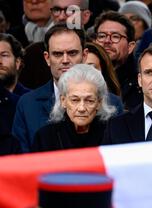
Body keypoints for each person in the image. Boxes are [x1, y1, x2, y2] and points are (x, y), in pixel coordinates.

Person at [12, 24, 123, 153]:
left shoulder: (112, 103)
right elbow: (20, 159)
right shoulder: (28, 104)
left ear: (84, 55)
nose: (65, 60)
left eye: (72, 53)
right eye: (58, 54)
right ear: (47, 58)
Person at [31, 64, 116, 152]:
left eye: (89, 100)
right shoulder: (45, 138)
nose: (81, 108)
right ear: (63, 100)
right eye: (75, 100)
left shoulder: (112, 135)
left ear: (99, 103)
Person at [94, 11, 142, 111]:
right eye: (102, 36)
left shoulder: (141, 83)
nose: (107, 41)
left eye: (116, 36)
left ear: (130, 47)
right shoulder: (82, 77)